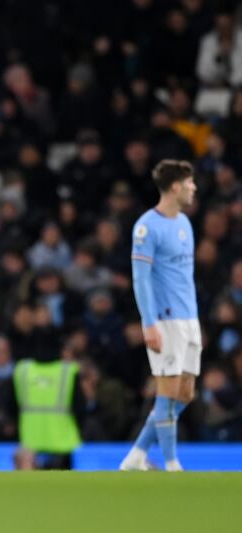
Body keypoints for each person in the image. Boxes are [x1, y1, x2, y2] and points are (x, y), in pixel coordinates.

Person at [120, 160, 200, 472]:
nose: (194, 189)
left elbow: (185, 276)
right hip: (165, 320)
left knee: (185, 393)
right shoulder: (146, 226)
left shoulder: (184, 223)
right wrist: (148, 322)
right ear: (176, 186)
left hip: (188, 318)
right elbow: (140, 278)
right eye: (190, 184)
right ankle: (171, 464)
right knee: (166, 394)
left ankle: (136, 456)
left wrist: (194, 318)